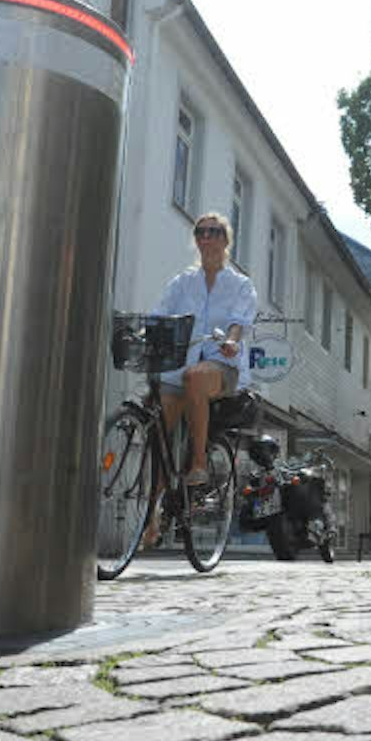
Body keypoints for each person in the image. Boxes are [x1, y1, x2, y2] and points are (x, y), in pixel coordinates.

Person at [147, 213, 256, 547]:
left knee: (196, 377)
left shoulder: (239, 284)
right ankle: (151, 516)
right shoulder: (182, 282)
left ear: (226, 240)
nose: (206, 237)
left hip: (221, 364)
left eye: (214, 232)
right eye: (201, 232)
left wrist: (233, 340)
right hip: (177, 366)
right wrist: (142, 333)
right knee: (159, 438)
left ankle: (198, 464)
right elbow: (159, 315)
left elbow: (239, 321)